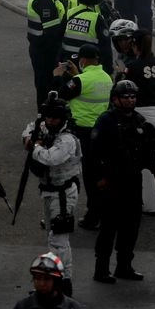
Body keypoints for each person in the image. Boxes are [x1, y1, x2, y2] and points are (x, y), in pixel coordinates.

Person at [90, 79, 155, 284]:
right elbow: (94, 153)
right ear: (115, 99)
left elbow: (148, 152)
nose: (130, 100)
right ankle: (101, 269)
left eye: (132, 96)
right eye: (125, 97)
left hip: (133, 182)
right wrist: (100, 178)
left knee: (131, 227)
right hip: (112, 182)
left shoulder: (139, 121)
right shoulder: (106, 121)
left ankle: (124, 266)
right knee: (108, 228)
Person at [21, 93, 82, 294]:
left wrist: (34, 146)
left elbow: (51, 158)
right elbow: (29, 129)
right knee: (53, 238)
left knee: (59, 241)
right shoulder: (44, 126)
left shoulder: (67, 139)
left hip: (63, 194)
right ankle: (58, 283)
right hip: (49, 192)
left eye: (55, 118)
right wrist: (30, 136)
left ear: (63, 118)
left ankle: (61, 285)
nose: (50, 121)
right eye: (48, 116)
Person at [56, 43, 113, 230]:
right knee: (100, 172)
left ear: (83, 59)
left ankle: (92, 215)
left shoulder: (80, 80)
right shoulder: (106, 77)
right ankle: (103, 212)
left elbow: (63, 94)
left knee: (88, 176)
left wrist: (63, 76)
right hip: (103, 130)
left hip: (83, 131)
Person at [120, 29, 155, 214]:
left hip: (143, 112)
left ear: (135, 44)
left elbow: (127, 88)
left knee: (144, 157)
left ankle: (150, 204)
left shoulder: (133, 66)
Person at [27, 0, 69, 107]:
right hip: (45, 52)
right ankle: (44, 114)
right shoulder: (45, 0)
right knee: (46, 88)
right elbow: (52, 34)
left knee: (46, 85)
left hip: (42, 48)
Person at [9, 253, 88, 309]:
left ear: (57, 281)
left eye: (47, 279)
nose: (41, 283)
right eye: (38, 278)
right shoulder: (22, 307)